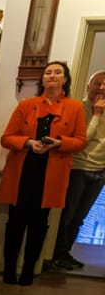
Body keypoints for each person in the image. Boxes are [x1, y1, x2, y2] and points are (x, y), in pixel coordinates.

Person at [0, 60, 88, 285]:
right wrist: (29, 143)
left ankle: (28, 270)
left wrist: (58, 143)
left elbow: (80, 141)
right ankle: (9, 270)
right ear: (42, 79)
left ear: (65, 79)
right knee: (15, 223)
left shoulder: (75, 107)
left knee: (39, 225)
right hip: (23, 173)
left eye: (58, 72)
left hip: (51, 177)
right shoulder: (26, 105)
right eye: (48, 73)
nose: (52, 76)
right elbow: (6, 138)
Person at [49, 70, 105, 271]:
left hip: (100, 171)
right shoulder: (78, 108)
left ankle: (65, 253)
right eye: (98, 83)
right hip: (78, 168)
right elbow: (82, 141)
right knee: (67, 214)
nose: (102, 87)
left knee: (81, 216)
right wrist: (97, 115)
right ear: (88, 86)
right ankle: (54, 253)